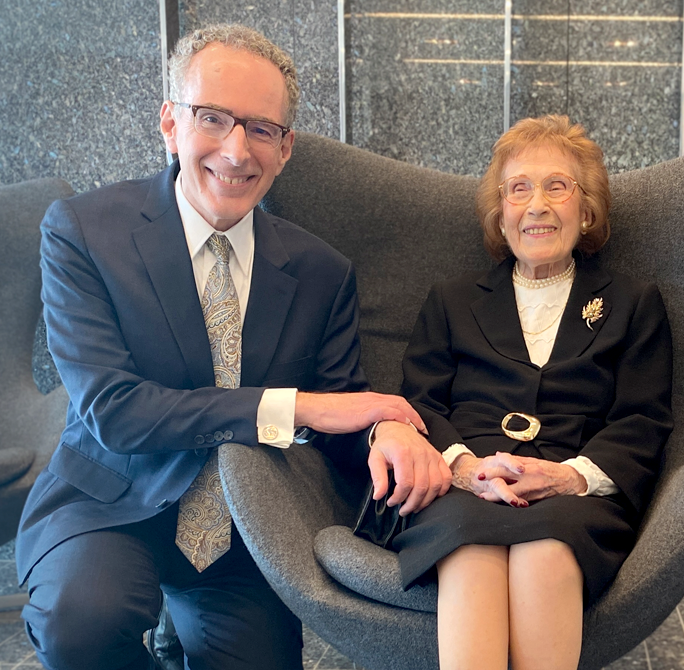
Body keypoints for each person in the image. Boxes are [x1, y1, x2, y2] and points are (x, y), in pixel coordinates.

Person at [16, 24, 449, 670]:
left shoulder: (321, 271)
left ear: (286, 148)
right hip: (109, 503)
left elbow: (340, 416)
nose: (237, 149)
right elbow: (116, 411)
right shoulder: (83, 232)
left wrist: (386, 431)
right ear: (170, 123)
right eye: (212, 117)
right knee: (83, 622)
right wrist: (293, 407)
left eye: (262, 129)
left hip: (238, 528)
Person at [370, 115, 674, 670]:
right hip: (458, 490)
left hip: (573, 497)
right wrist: (465, 469)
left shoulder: (634, 303)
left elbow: (643, 420)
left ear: (586, 211)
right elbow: (422, 405)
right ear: (500, 214)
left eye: (557, 186)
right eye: (519, 189)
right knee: (470, 546)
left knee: (546, 549)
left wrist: (566, 476)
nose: (537, 205)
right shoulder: (451, 300)